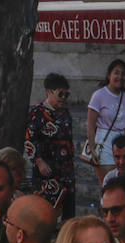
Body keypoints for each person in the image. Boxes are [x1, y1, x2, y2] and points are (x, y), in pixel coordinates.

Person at [25, 73, 75, 219]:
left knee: (68, 208)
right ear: (49, 92)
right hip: (47, 170)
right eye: (61, 94)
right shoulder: (37, 113)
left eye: (67, 95)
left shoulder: (65, 113)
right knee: (46, 209)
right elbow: (29, 140)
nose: (64, 98)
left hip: (66, 170)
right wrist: (39, 161)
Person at [86, 59, 125, 187]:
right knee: (108, 184)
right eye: (116, 73)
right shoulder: (99, 95)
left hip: (122, 142)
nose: (120, 77)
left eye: (123, 74)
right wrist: (92, 148)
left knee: (122, 184)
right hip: (105, 142)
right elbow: (91, 125)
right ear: (109, 75)